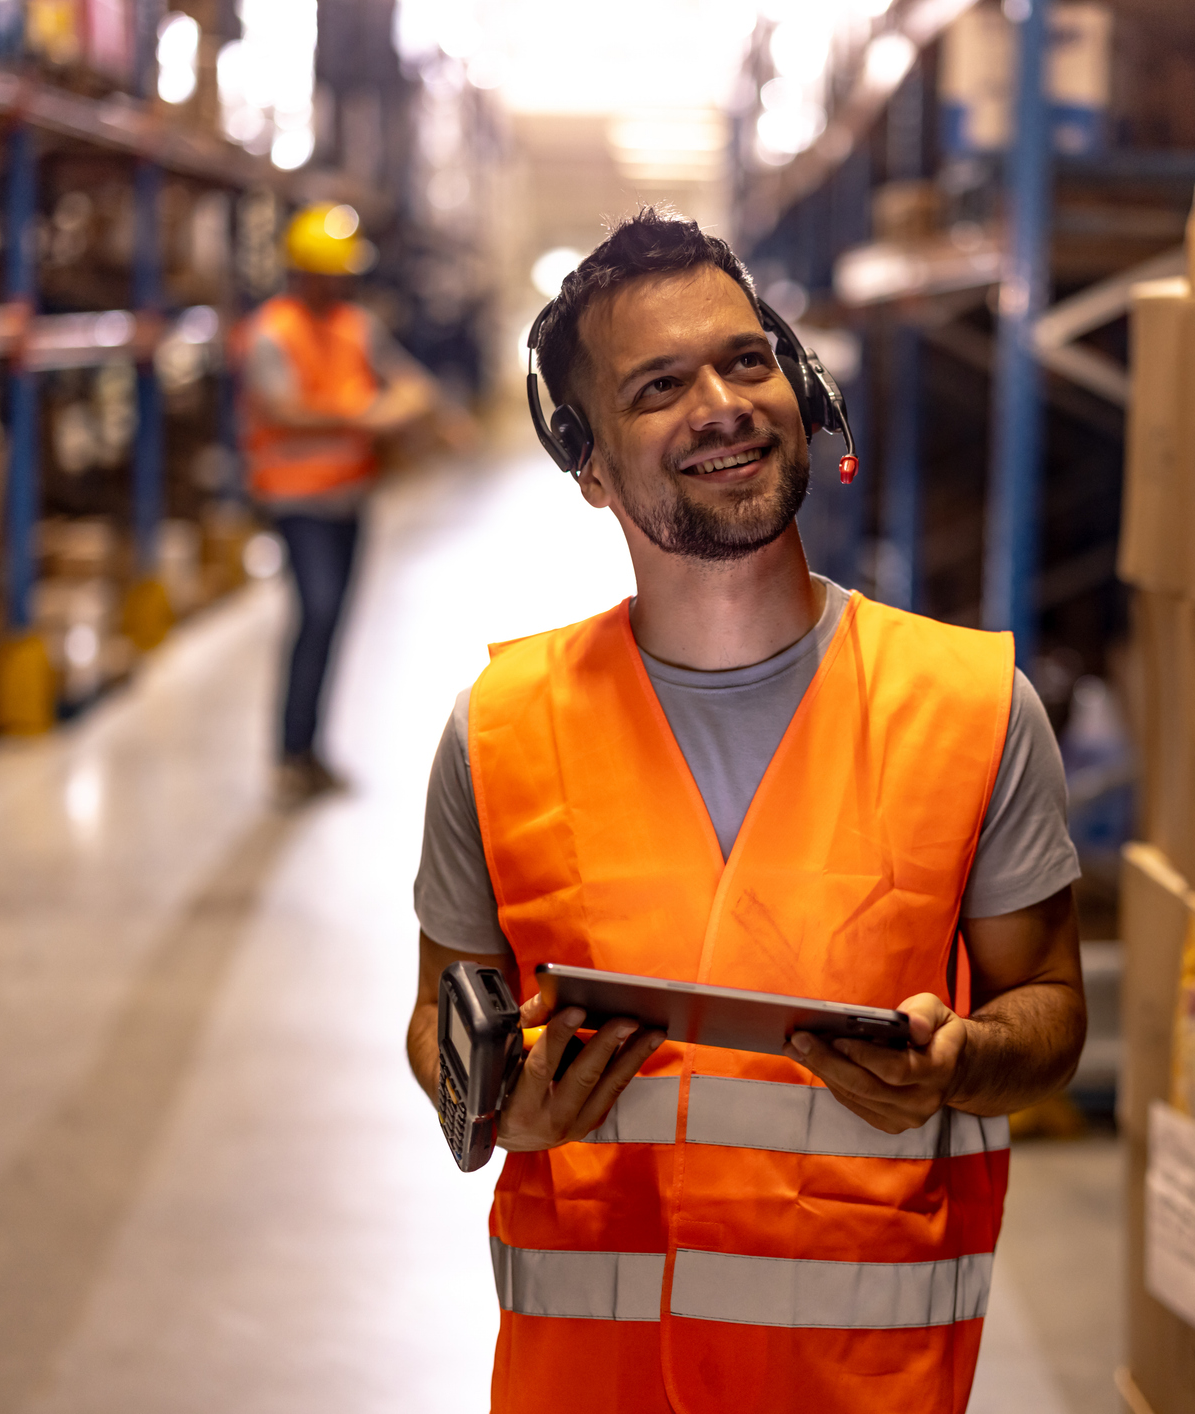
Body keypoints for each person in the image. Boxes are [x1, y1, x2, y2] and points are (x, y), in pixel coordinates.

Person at [407, 208, 1086, 1413]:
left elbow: (1048, 1008)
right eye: (658, 385)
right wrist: (495, 1103)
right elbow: (438, 1015)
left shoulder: (970, 705)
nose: (721, 405)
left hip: (855, 1387)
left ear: (803, 388)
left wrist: (962, 1061)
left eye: (746, 360)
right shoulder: (500, 728)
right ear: (587, 466)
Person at [241, 202, 460, 801]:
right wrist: (368, 415)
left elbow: (411, 385)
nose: (341, 285)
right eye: (331, 274)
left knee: (333, 621)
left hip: (349, 497)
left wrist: (413, 409)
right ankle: (290, 755)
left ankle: (310, 753)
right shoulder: (271, 332)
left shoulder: (356, 327)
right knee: (315, 614)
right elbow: (282, 409)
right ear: (303, 272)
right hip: (296, 502)